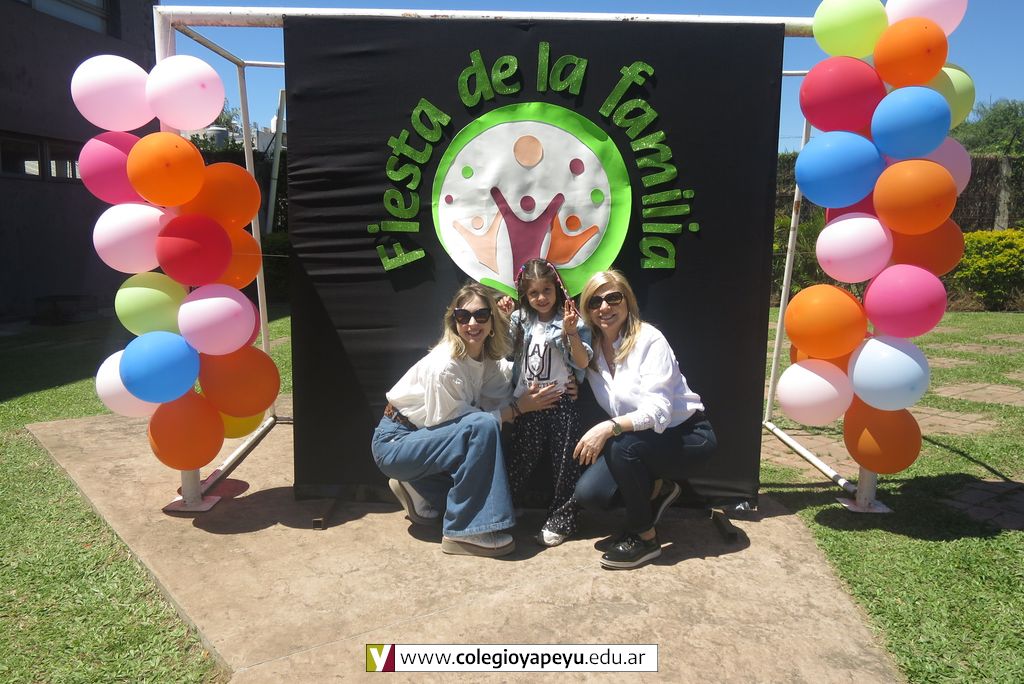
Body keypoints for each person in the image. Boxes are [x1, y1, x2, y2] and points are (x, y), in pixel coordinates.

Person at [371, 282, 561, 558]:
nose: (472, 323)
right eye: (464, 316)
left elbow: (505, 388)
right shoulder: (445, 365)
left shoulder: (484, 358)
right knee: (482, 427)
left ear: (493, 321)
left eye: (481, 315)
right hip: (395, 443)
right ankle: (464, 532)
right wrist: (518, 409)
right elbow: (452, 430)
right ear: (454, 321)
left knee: (481, 457)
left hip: (420, 443)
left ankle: (417, 485)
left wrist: (560, 380)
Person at [571, 270, 717, 569]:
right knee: (591, 495)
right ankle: (658, 491)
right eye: (595, 302)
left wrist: (608, 427)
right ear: (588, 310)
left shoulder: (650, 340)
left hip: (687, 436)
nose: (604, 307)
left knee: (619, 445)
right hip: (641, 442)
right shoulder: (591, 351)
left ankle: (645, 538)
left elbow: (659, 410)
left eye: (613, 298)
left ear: (627, 301)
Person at [503, 259, 593, 547]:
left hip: (561, 401)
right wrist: (503, 318)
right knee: (520, 457)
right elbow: (504, 352)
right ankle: (503, 508)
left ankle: (562, 518)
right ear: (525, 295)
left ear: (557, 289)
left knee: (565, 462)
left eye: (546, 290)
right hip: (529, 402)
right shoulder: (519, 320)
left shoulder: (571, 320)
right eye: (534, 293)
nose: (541, 298)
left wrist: (571, 332)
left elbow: (583, 362)